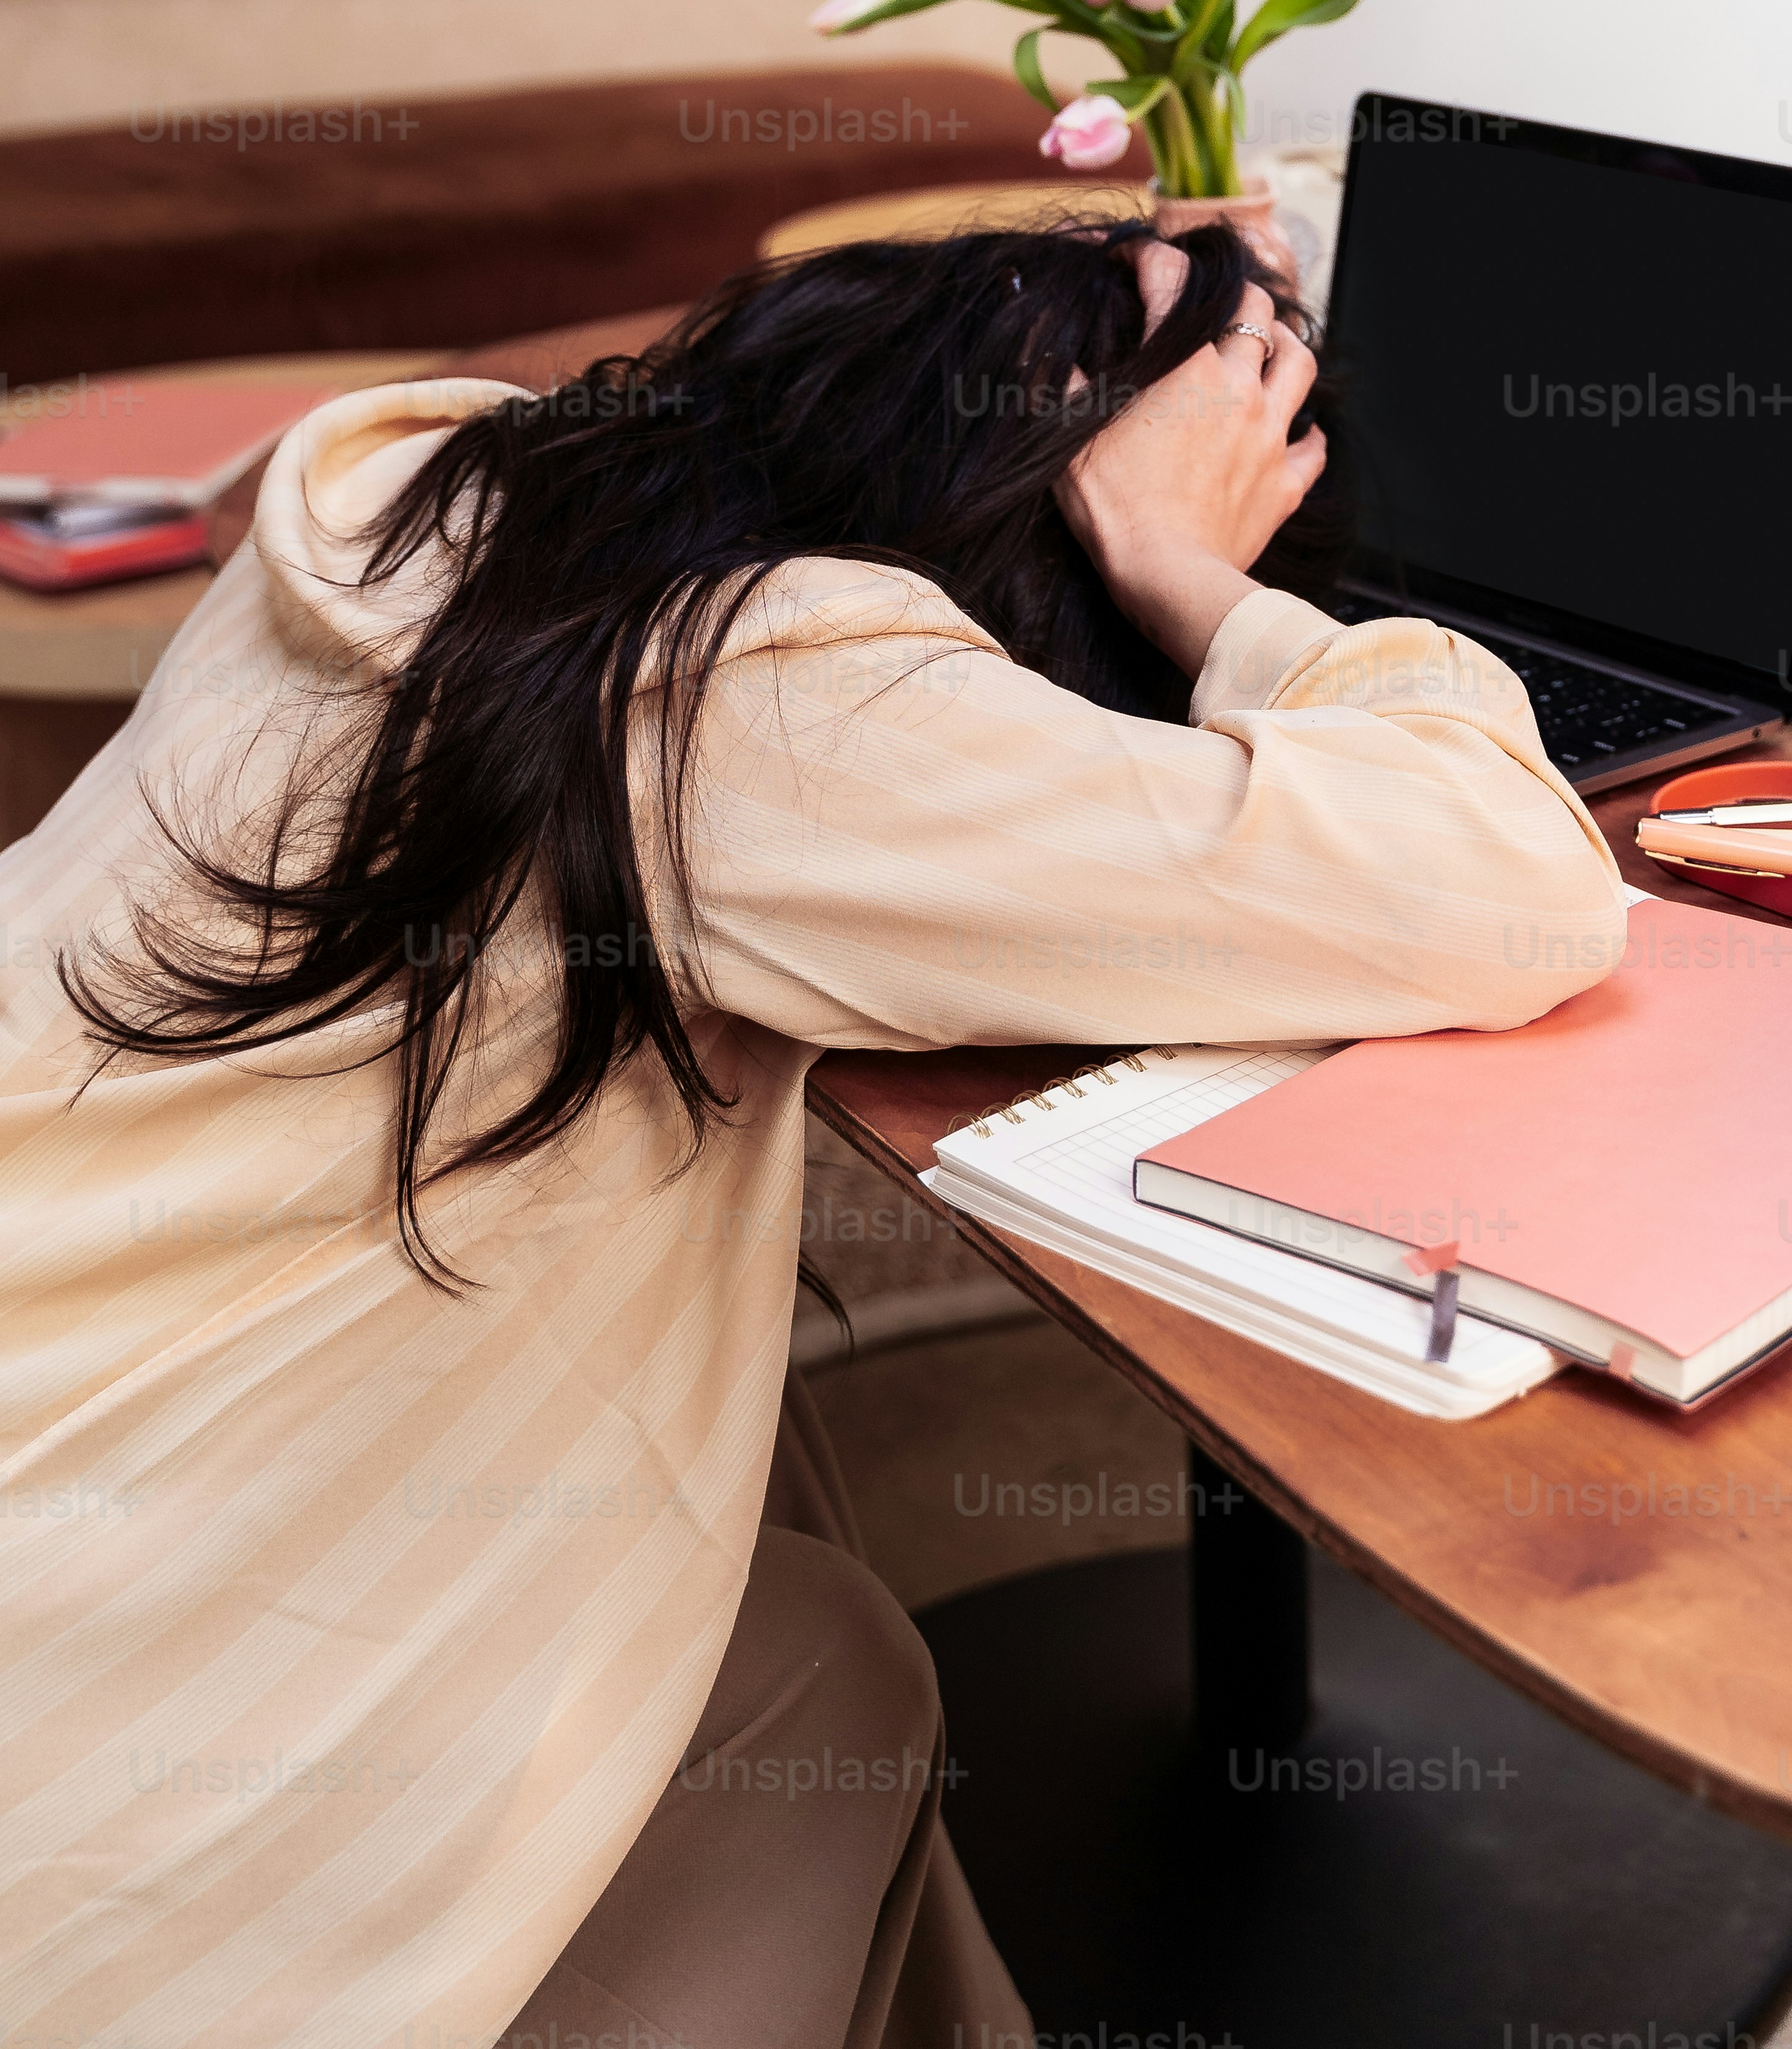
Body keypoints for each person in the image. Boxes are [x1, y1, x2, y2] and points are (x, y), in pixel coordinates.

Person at [0, 219, 1628, 2049]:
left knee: (810, 1650)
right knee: (831, 1679)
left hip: (56, 1385)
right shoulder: (774, 700)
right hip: (85, 1690)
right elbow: (1509, 885)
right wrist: (1196, 573)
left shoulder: (435, 492)